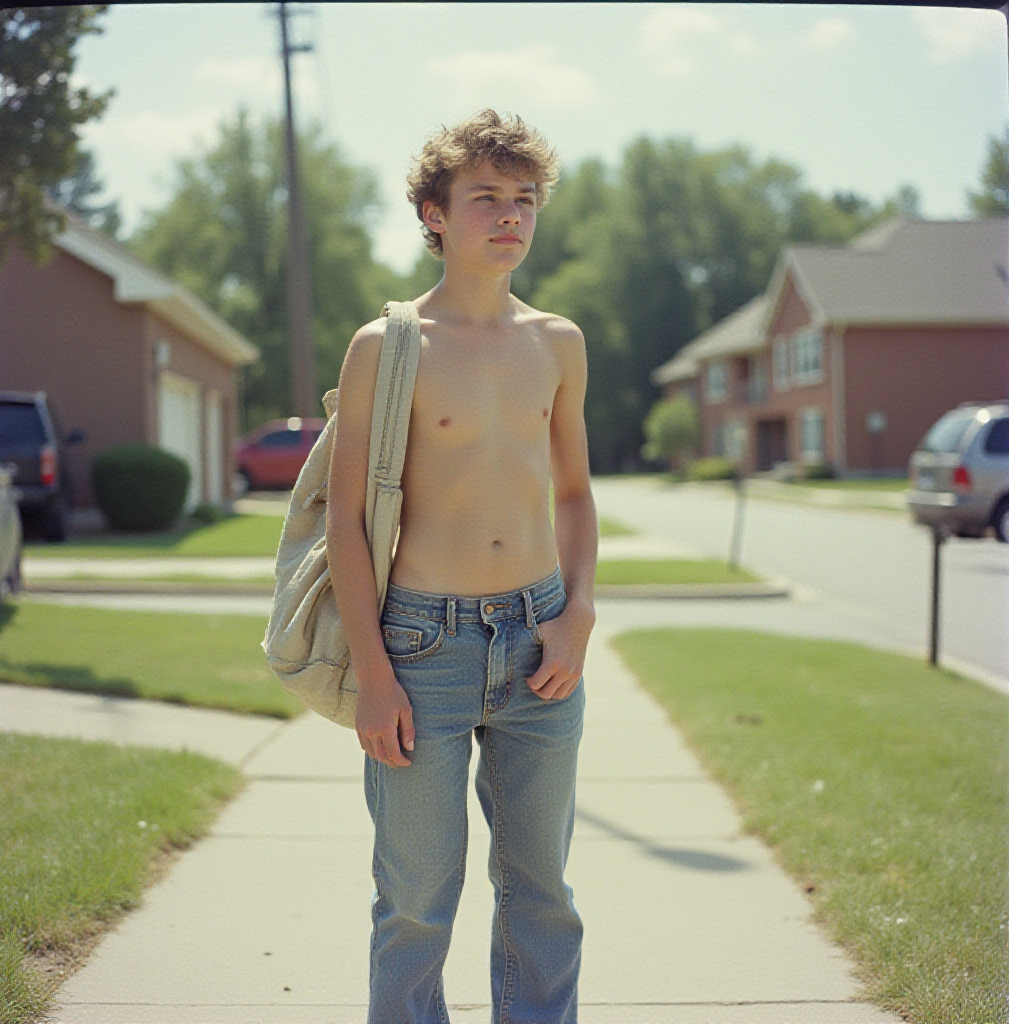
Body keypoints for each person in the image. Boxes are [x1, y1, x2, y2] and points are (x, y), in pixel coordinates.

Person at [326, 108, 598, 1024]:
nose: (511, 216)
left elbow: (573, 496)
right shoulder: (388, 347)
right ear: (435, 213)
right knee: (413, 902)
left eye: (525, 199)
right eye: (487, 197)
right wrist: (373, 674)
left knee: (543, 895)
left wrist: (579, 611)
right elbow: (348, 522)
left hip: (540, 639)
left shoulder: (557, 341)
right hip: (420, 646)